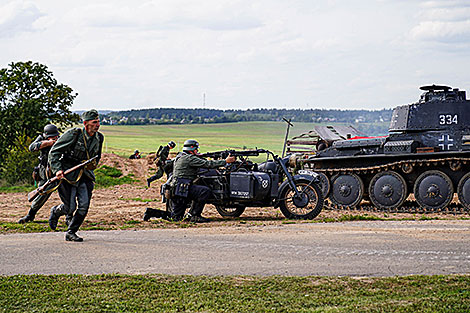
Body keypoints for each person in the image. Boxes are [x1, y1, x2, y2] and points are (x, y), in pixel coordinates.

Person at [144, 139, 235, 222]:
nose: (197, 151)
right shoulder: (189, 159)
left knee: (175, 217)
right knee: (204, 191)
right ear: (191, 149)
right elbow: (207, 164)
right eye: (196, 149)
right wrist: (225, 161)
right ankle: (194, 215)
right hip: (182, 189)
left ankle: (151, 212)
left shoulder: (180, 156)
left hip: (177, 190)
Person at [48, 109, 104, 242]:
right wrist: (57, 170)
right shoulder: (74, 134)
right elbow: (54, 152)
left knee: (84, 206)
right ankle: (56, 211)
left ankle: (71, 232)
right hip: (68, 173)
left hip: (85, 175)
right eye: (94, 122)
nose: (98, 125)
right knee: (69, 207)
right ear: (85, 124)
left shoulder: (99, 137)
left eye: (98, 122)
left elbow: (97, 156)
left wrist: (92, 165)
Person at [18, 124, 60, 224]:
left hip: (59, 169)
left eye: (55, 136)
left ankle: (69, 217)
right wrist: (48, 143)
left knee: (67, 194)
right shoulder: (41, 138)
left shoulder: (61, 139)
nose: (54, 138)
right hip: (44, 171)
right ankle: (30, 215)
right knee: (41, 194)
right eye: (51, 136)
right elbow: (32, 147)